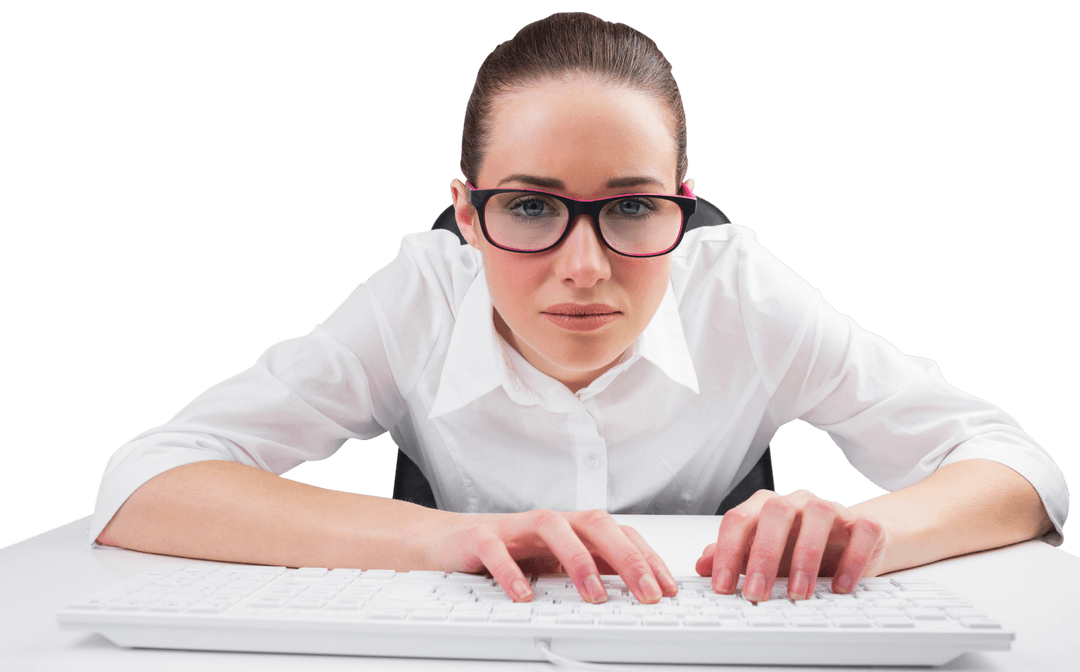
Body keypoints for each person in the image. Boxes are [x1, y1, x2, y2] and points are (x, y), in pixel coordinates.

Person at [91, 12, 1067, 607]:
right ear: (468, 215)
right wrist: (445, 539)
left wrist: (869, 532)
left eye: (634, 207)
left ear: (683, 205)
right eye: (530, 207)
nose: (585, 267)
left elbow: (1024, 473)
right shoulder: (416, 297)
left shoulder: (744, 292)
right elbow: (145, 482)